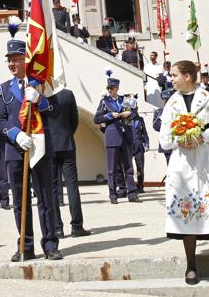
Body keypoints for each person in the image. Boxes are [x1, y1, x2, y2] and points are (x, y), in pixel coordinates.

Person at [159, 60, 209, 286]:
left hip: (207, 163)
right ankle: (191, 265)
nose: (171, 79)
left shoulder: (208, 99)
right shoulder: (171, 104)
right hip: (183, 164)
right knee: (186, 212)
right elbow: (164, 139)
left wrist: (203, 136)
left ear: (188, 76)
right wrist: (179, 139)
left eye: (174, 75)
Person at [0, 26, 61, 261]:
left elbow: (55, 112)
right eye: (9, 60)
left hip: (39, 147)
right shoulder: (3, 89)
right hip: (15, 149)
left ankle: (50, 244)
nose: (12, 64)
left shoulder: (42, 84)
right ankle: (25, 246)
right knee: (20, 201)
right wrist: (15, 134)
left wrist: (40, 100)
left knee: (45, 198)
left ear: (26, 60)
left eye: (17, 59)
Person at [47, 87, 90, 238]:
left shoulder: (40, 94)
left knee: (52, 188)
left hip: (48, 145)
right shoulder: (67, 94)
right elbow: (74, 120)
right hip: (66, 143)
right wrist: (67, 134)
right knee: (72, 186)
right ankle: (77, 226)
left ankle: (57, 228)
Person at [94, 71, 139, 204]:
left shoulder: (125, 99)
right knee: (112, 169)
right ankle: (113, 194)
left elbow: (135, 114)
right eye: (108, 88)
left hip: (126, 136)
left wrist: (129, 114)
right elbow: (96, 119)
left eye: (112, 88)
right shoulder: (104, 101)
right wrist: (109, 116)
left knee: (129, 167)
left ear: (117, 88)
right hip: (112, 136)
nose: (109, 90)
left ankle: (132, 194)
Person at [129, 98, 150, 193]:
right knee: (128, 167)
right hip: (129, 146)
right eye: (132, 109)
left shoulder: (140, 119)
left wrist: (146, 143)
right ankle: (129, 186)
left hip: (139, 146)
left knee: (140, 167)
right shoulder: (126, 119)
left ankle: (140, 186)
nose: (134, 110)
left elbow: (144, 133)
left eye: (135, 108)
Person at [152, 87, 175, 165]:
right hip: (167, 142)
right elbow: (156, 127)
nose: (167, 102)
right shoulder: (159, 112)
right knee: (170, 165)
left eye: (169, 100)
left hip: (178, 143)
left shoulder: (178, 110)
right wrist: (162, 120)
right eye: (166, 100)